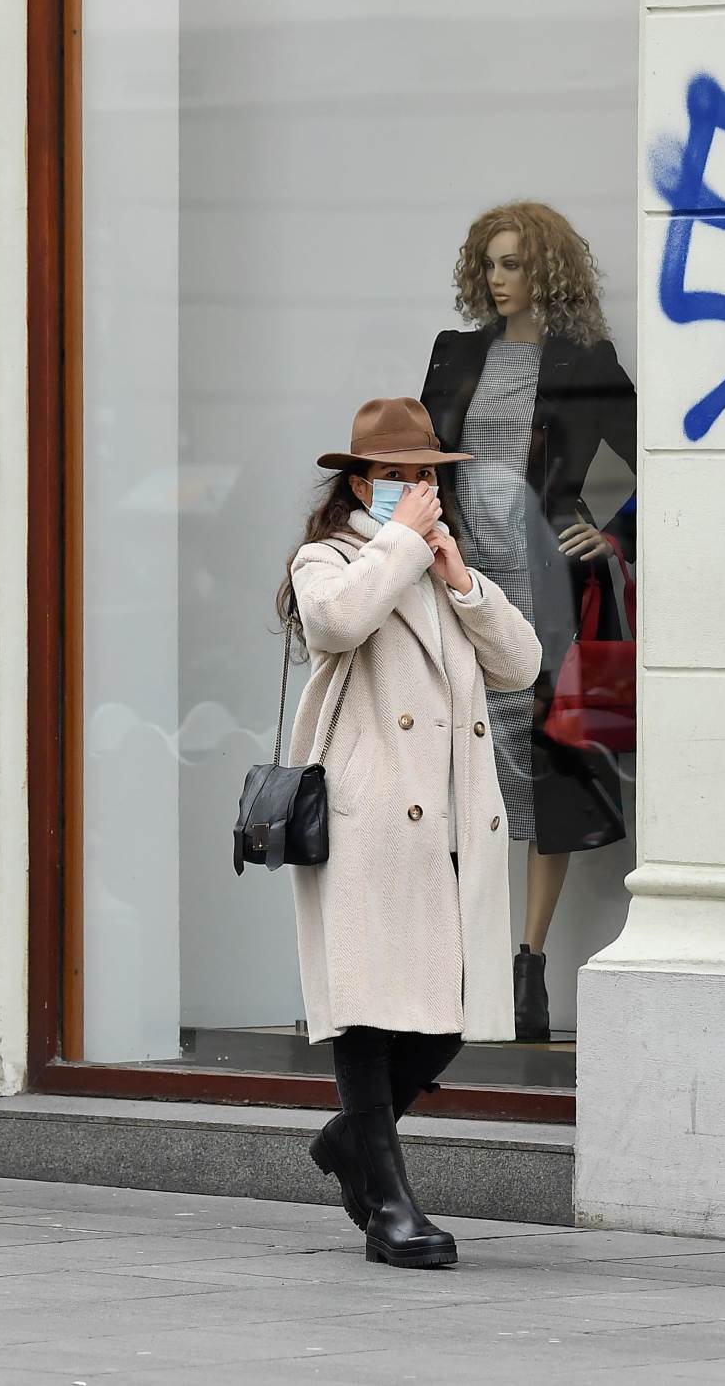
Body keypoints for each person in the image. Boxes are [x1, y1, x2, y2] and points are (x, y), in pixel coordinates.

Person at [278, 396, 541, 1268]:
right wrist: (400, 545)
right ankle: (390, 1205)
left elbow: (521, 664)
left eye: (427, 474)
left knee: (446, 1016)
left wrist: (460, 576)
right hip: (369, 819)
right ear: (360, 483)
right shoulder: (330, 557)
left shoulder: (434, 565)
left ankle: (352, 1142)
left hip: (452, 817)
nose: (419, 489)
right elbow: (337, 621)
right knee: (369, 1007)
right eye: (399, 476)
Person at [419, 201, 640, 1042]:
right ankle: (453, 961)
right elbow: (421, 459)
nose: (497, 278)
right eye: (489, 263)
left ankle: (527, 966)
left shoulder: (586, 361)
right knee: (459, 765)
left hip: (546, 589)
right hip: (461, 578)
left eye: (512, 263)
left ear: (545, 270)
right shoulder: (457, 355)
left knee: (546, 770)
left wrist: (610, 531)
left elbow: (657, 453)